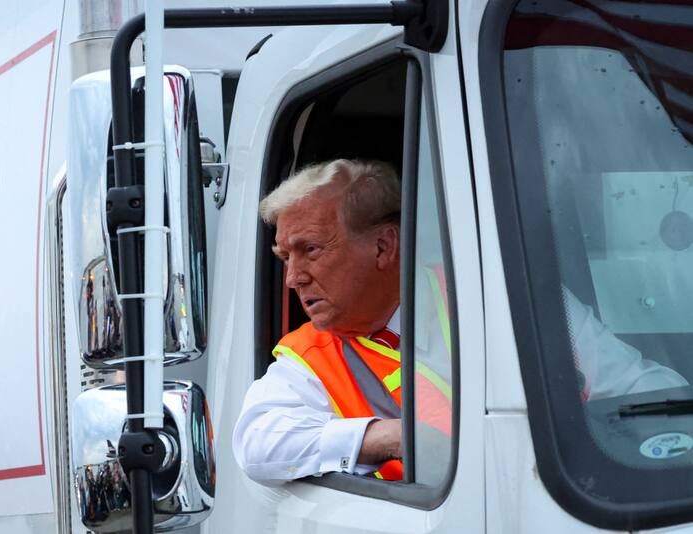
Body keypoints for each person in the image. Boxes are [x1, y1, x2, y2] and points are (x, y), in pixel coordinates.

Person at [233, 158, 687, 485]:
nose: (293, 278)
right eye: (284, 257)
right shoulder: (308, 356)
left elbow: (646, 390)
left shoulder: (506, 299)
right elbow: (257, 445)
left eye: (310, 250)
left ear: (384, 247)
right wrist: (387, 437)